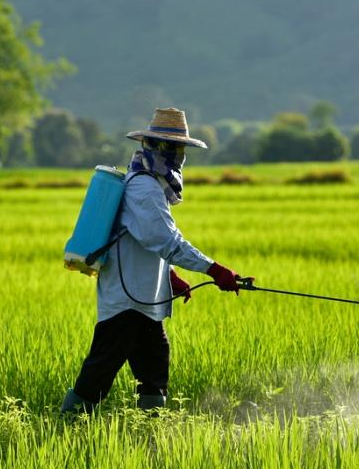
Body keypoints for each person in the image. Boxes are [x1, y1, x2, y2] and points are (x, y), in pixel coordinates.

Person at [61, 108, 245, 414]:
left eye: (180, 148)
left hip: (144, 300)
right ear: (157, 147)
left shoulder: (152, 185)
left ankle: (149, 433)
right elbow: (166, 241)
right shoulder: (144, 188)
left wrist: (170, 277)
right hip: (127, 300)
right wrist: (215, 270)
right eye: (174, 148)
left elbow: (146, 239)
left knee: (154, 374)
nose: (178, 155)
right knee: (97, 376)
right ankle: (66, 427)